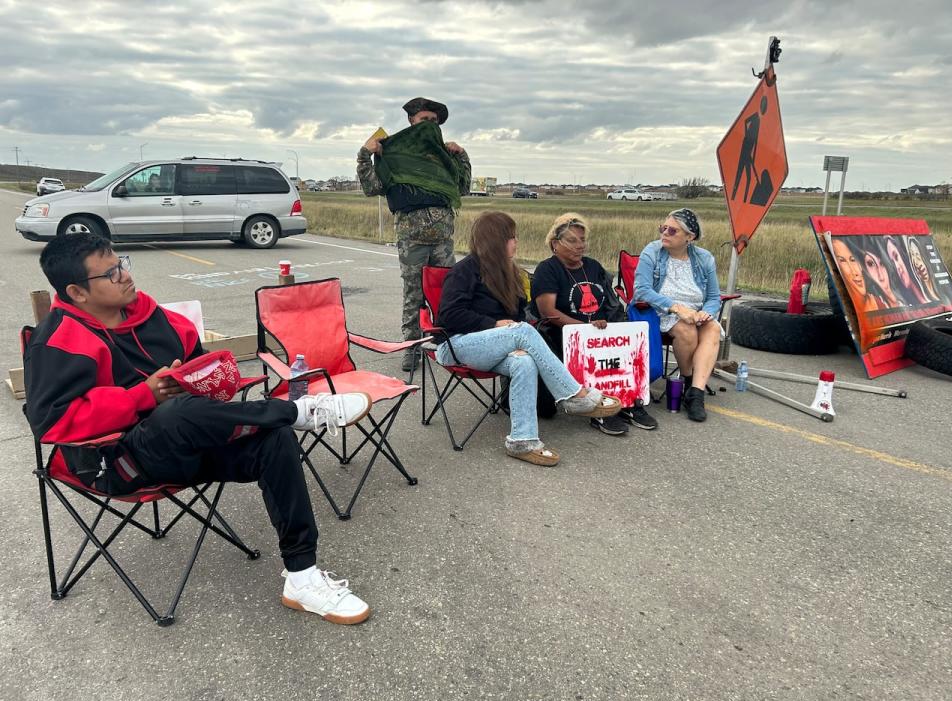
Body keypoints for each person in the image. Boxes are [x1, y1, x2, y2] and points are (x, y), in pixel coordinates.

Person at [24, 233, 374, 625]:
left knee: (273, 440)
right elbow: (51, 423)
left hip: (189, 443)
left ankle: (302, 576)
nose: (124, 276)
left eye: (122, 262)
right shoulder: (57, 340)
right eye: (110, 272)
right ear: (77, 292)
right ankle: (294, 411)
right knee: (175, 413)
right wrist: (144, 395)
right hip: (118, 463)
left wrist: (204, 379)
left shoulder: (152, 315)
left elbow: (203, 369)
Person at [436, 211, 622, 466]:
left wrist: (510, 330)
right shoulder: (465, 270)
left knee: (523, 361)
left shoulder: (511, 274)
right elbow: (448, 316)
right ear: (494, 241)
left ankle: (523, 441)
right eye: (511, 238)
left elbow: (515, 316)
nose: (516, 242)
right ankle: (575, 395)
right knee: (521, 330)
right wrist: (494, 324)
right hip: (456, 345)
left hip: (493, 349)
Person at [357, 97, 472, 373]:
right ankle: (412, 348)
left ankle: (451, 348)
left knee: (448, 294)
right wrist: (364, 154)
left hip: (443, 239)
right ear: (411, 121)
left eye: (434, 121)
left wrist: (463, 155)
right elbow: (372, 187)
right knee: (414, 296)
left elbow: (463, 187)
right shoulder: (395, 154)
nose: (429, 126)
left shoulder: (444, 156)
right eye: (424, 120)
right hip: (412, 239)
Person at [531, 212, 657, 436]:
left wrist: (615, 328)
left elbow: (610, 303)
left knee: (624, 344)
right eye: (572, 240)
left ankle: (628, 402)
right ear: (555, 244)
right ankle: (598, 410)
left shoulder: (593, 266)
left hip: (600, 329)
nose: (580, 245)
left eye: (582, 240)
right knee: (594, 350)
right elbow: (548, 312)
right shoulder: (547, 270)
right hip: (563, 332)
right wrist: (585, 330)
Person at [633, 208, 721, 423]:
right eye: (663, 228)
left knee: (713, 329)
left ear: (689, 237)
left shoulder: (704, 258)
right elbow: (642, 290)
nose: (664, 233)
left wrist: (705, 314)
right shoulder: (652, 252)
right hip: (662, 311)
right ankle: (688, 378)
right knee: (686, 329)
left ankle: (695, 393)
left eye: (672, 231)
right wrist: (676, 308)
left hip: (695, 312)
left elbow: (714, 297)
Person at [831, 237, 881, 313]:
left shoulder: (882, 304)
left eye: (853, 259)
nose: (855, 272)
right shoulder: (847, 310)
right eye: (842, 261)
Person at [885, 235, 931, 305]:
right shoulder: (904, 302)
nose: (898, 267)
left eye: (896, 257)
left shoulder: (928, 289)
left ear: (902, 255)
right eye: (892, 264)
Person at [863, 244, 905, 309]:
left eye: (881, 264)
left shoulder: (904, 295)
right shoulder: (874, 305)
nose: (881, 276)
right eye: (871, 264)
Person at [907, 236, 940, 303]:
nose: (917, 264)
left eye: (918, 256)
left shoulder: (941, 290)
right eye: (913, 259)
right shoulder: (922, 296)